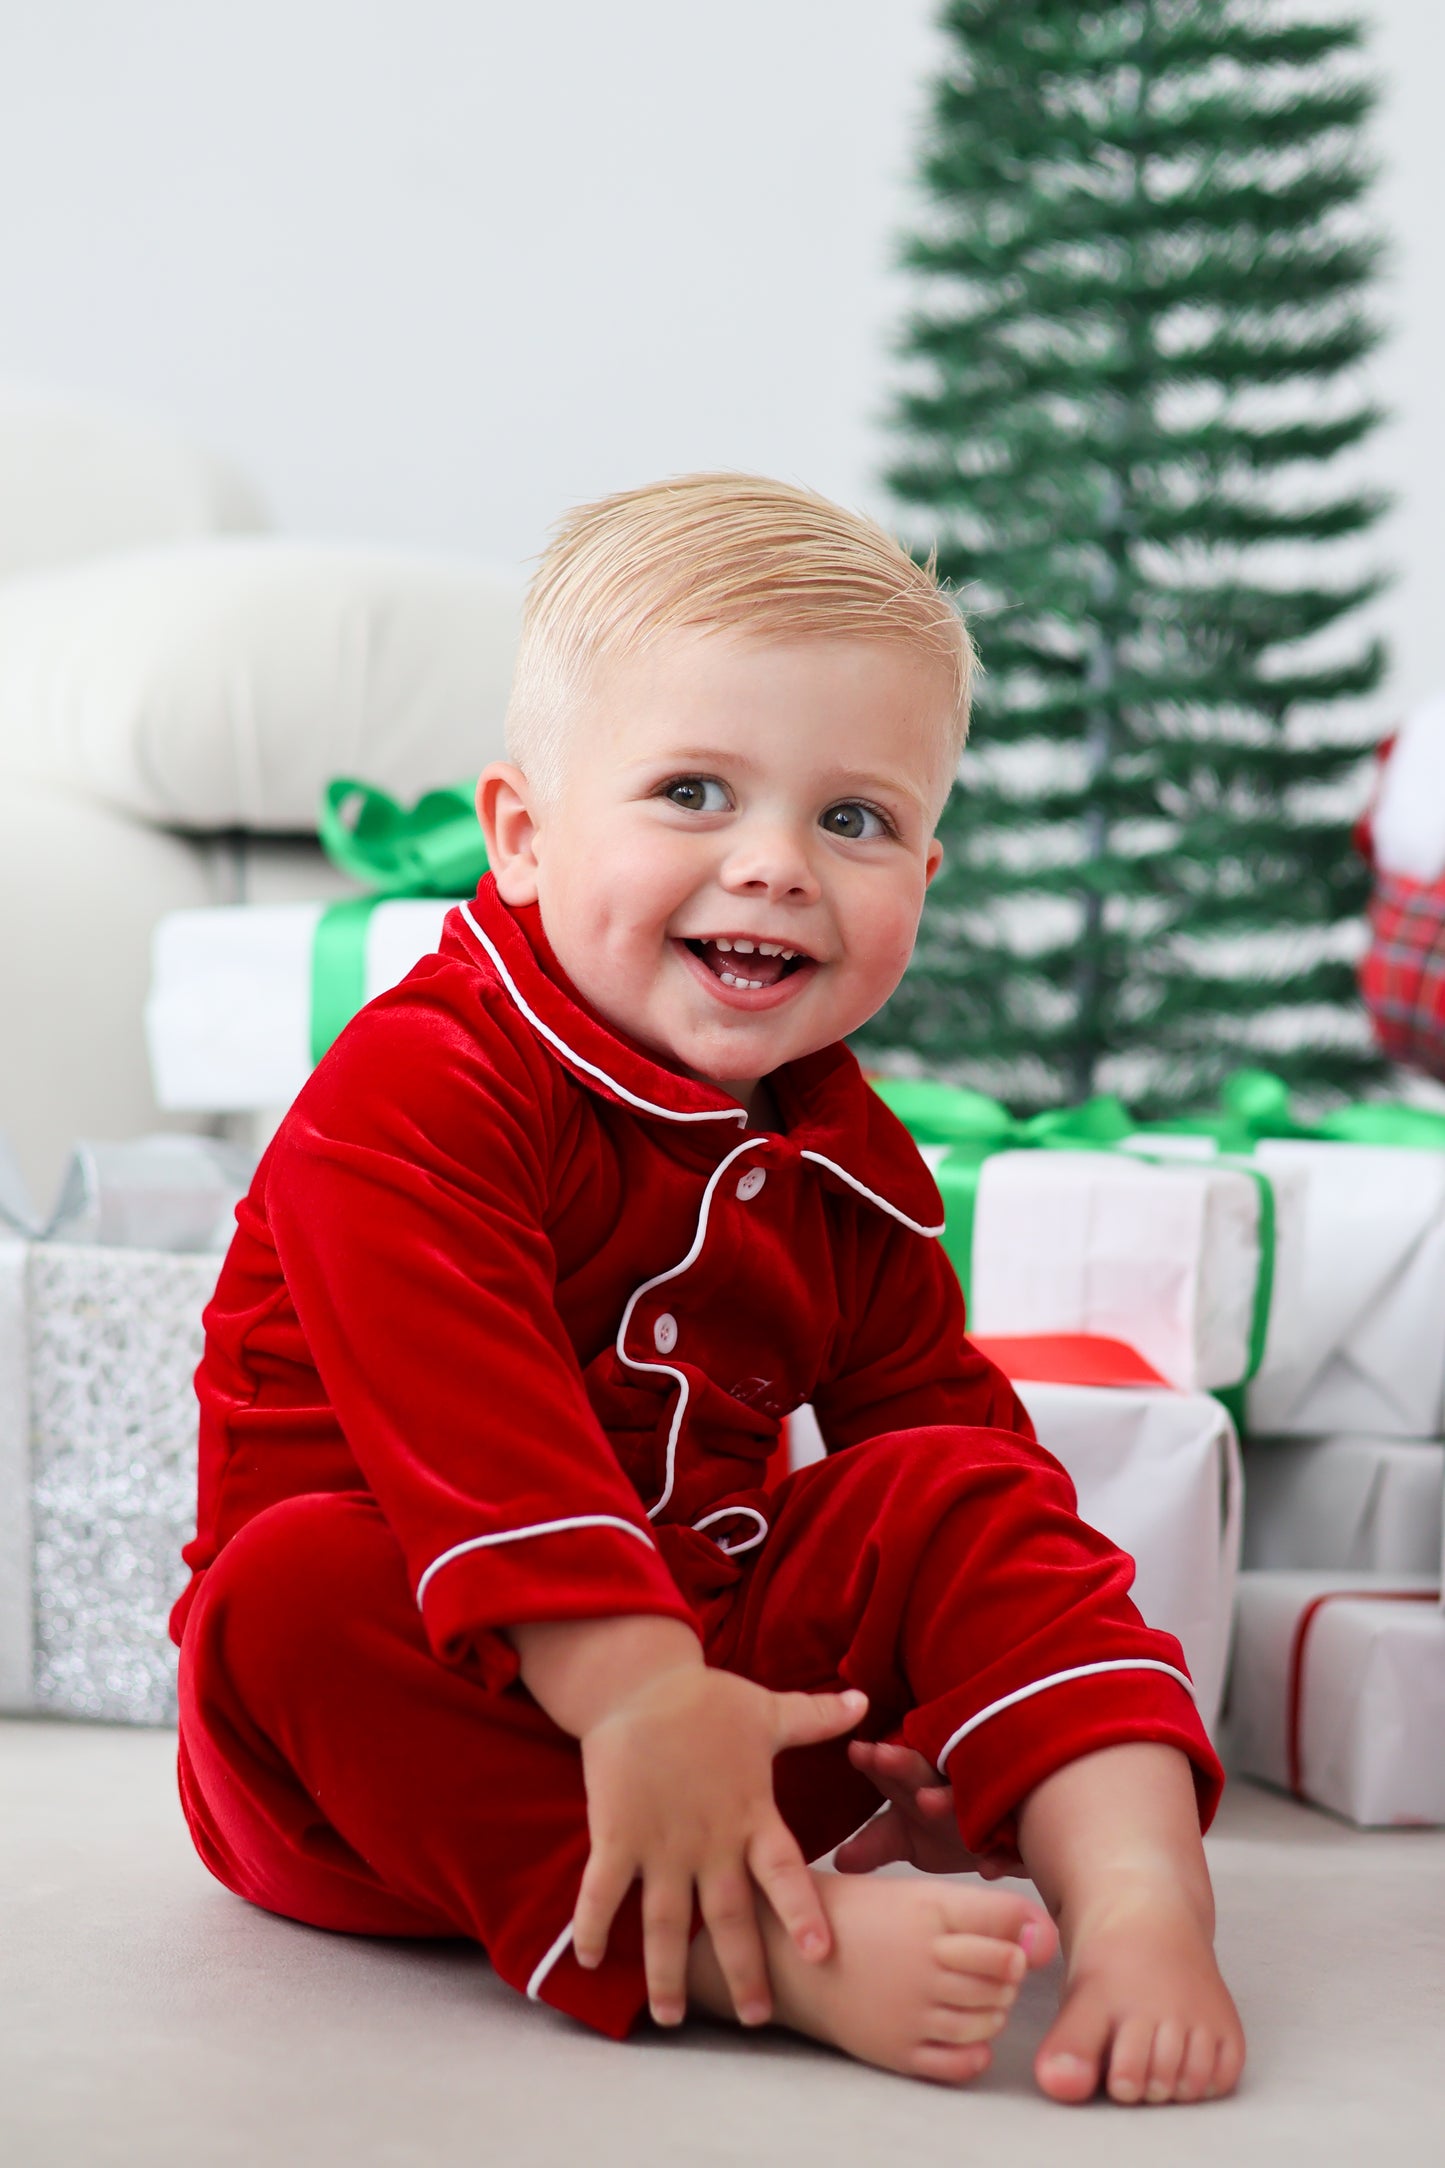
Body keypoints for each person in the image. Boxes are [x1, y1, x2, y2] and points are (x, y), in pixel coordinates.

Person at [172, 474, 1245, 2105]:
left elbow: (960, 1464)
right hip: (381, 1755)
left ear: (926, 873)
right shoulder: (419, 1091)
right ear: (522, 836)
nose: (773, 866)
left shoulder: (837, 1157)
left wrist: (969, 1720)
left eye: (852, 821)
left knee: (956, 1489)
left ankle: (1139, 1895)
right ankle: (770, 1950)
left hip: (723, 1711)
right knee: (290, 1590)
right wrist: (638, 1693)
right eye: (691, 792)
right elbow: (474, 1437)